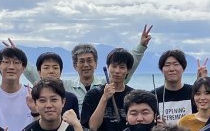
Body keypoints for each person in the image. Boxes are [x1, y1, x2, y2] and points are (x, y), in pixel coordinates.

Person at [19, 26, 151, 108]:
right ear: (75, 65)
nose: (86, 65)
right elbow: (41, 79)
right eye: (81, 61)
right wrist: (20, 59)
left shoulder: (107, 85)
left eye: (89, 60)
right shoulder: (65, 87)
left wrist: (141, 47)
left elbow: (126, 69)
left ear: (96, 64)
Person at [80, 47, 136, 131]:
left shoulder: (133, 96)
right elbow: (93, 126)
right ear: (108, 67)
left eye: (122, 67)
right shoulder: (94, 94)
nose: (117, 71)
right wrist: (104, 98)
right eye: (114, 66)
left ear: (128, 70)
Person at [0, 45, 33, 131]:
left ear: (23, 68)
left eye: (16, 62)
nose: (11, 67)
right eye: (6, 62)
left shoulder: (32, 95)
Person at [153, 49, 193, 123]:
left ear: (183, 68)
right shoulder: (153, 96)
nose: (171, 69)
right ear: (162, 69)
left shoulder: (193, 92)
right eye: (167, 65)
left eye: (176, 64)